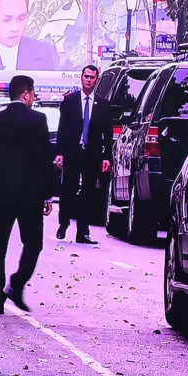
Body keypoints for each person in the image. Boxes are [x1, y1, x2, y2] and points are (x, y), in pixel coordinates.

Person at [0, 75, 54, 314]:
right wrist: (48, 195)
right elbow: (45, 161)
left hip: (0, 195)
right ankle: (16, 283)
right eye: (33, 94)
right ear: (26, 94)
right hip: (30, 196)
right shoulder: (38, 120)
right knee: (33, 244)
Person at [55, 65, 112, 245]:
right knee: (68, 189)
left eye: (92, 77)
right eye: (86, 76)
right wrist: (60, 153)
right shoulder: (69, 101)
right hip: (72, 151)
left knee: (88, 192)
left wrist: (106, 157)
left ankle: (83, 232)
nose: (88, 80)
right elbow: (62, 128)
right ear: (81, 78)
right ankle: (63, 223)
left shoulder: (103, 104)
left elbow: (107, 133)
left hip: (92, 153)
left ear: (96, 80)